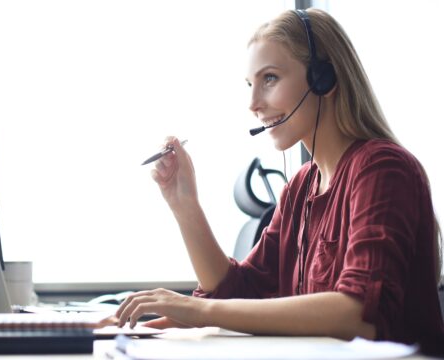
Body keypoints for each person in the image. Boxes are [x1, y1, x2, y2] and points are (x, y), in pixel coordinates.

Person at [115, 8, 444, 347]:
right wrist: (185, 206)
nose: (253, 103)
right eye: (250, 84)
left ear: (323, 79)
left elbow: (359, 315)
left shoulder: (382, 169)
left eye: (269, 78)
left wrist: (200, 310)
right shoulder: (301, 187)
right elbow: (238, 292)